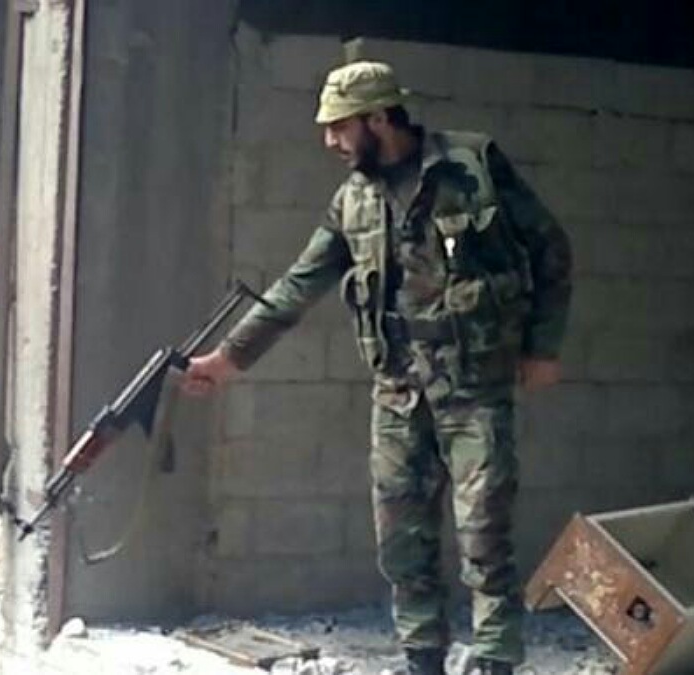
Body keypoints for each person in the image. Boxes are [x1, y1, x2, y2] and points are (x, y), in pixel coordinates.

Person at [182, 61, 572, 675]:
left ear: (379, 118)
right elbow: (297, 286)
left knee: (485, 535)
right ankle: (422, 658)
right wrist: (229, 359)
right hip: (397, 393)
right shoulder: (353, 200)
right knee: (402, 541)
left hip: (473, 388)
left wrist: (543, 347)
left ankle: (496, 659)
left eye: (339, 127)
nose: (330, 142)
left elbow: (550, 248)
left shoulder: (471, 166)